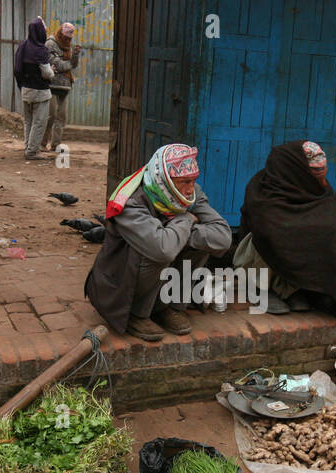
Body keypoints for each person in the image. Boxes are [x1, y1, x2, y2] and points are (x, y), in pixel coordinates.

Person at [85, 144, 232, 341]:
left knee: (196, 242)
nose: (190, 190)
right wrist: (186, 220)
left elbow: (222, 237)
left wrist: (175, 234)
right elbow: (162, 249)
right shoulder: (131, 201)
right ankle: (136, 313)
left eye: (193, 181)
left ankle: (167, 306)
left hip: (161, 255)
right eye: (185, 182)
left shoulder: (190, 193)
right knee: (157, 250)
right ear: (165, 180)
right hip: (119, 281)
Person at [233, 140, 336, 319]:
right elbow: (268, 228)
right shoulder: (263, 189)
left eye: (322, 171)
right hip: (256, 258)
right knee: (272, 233)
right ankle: (260, 288)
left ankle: (295, 288)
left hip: (294, 266)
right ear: (297, 170)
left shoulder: (320, 190)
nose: (320, 178)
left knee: (324, 233)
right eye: (313, 172)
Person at [14, 17, 55, 160]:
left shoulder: (23, 46)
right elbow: (47, 74)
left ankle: (28, 147)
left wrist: (22, 85)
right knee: (39, 122)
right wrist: (52, 71)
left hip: (26, 89)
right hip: (40, 91)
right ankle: (32, 151)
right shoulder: (40, 50)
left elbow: (17, 69)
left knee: (28, 121)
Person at [42, 22, 82, 152]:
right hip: (52, 85)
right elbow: (56, 64)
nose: (68, 40)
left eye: (70, 37)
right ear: (61, 33)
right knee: (50, 115)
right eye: (66, 36)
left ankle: (56, 144)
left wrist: (75, 55)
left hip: (65, 86)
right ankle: (42, 143)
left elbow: (72, 65)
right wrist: (69, 64)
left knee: (61, 117)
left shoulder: (67, 46)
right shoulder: (50, 44)